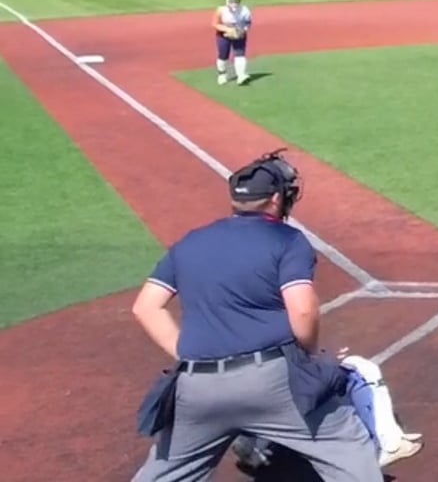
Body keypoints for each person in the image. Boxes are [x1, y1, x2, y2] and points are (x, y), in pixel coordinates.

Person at [127, 151, 383, 481]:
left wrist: (191, 356)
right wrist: (307, 357)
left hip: (197, 388)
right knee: (350, 451)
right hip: (272, 383)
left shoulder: (189, 242)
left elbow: (146, 307)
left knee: (163, 475)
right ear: (276, 199)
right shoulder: (287, 239)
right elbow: (302, 308)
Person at [232, 351, 422, 471]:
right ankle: (387, 445)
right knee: (358, 369)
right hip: (291, 395)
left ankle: (254, 444)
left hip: (245, 398)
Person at [212, 0, 254, 86]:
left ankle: (241, 75)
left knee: (240, 54)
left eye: (236, 2)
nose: (234, 5)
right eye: (232, 2)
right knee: (223, 55)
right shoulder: (221, 10)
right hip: (223, 35)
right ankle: (222, 74)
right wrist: (228, 30)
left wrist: (242, 31)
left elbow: (248, 23)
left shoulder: (245, 10)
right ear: (227, 2)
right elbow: (215, 24)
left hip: (239, 34)